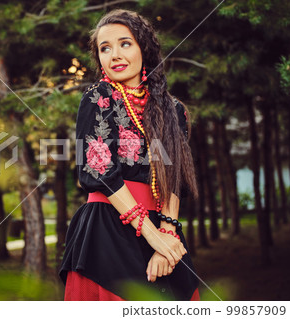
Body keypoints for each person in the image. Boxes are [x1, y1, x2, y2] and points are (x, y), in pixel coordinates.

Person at [58, 9, 201, 301]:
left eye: (125, 43)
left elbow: (175, 179)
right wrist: (152, 236)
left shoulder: (174, 110)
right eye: (104, 49)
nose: (114, 55)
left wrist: (168, 234)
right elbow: (99, 171)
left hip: (162, 225)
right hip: (107, 228)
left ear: (143, 48)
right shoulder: (98, 98)